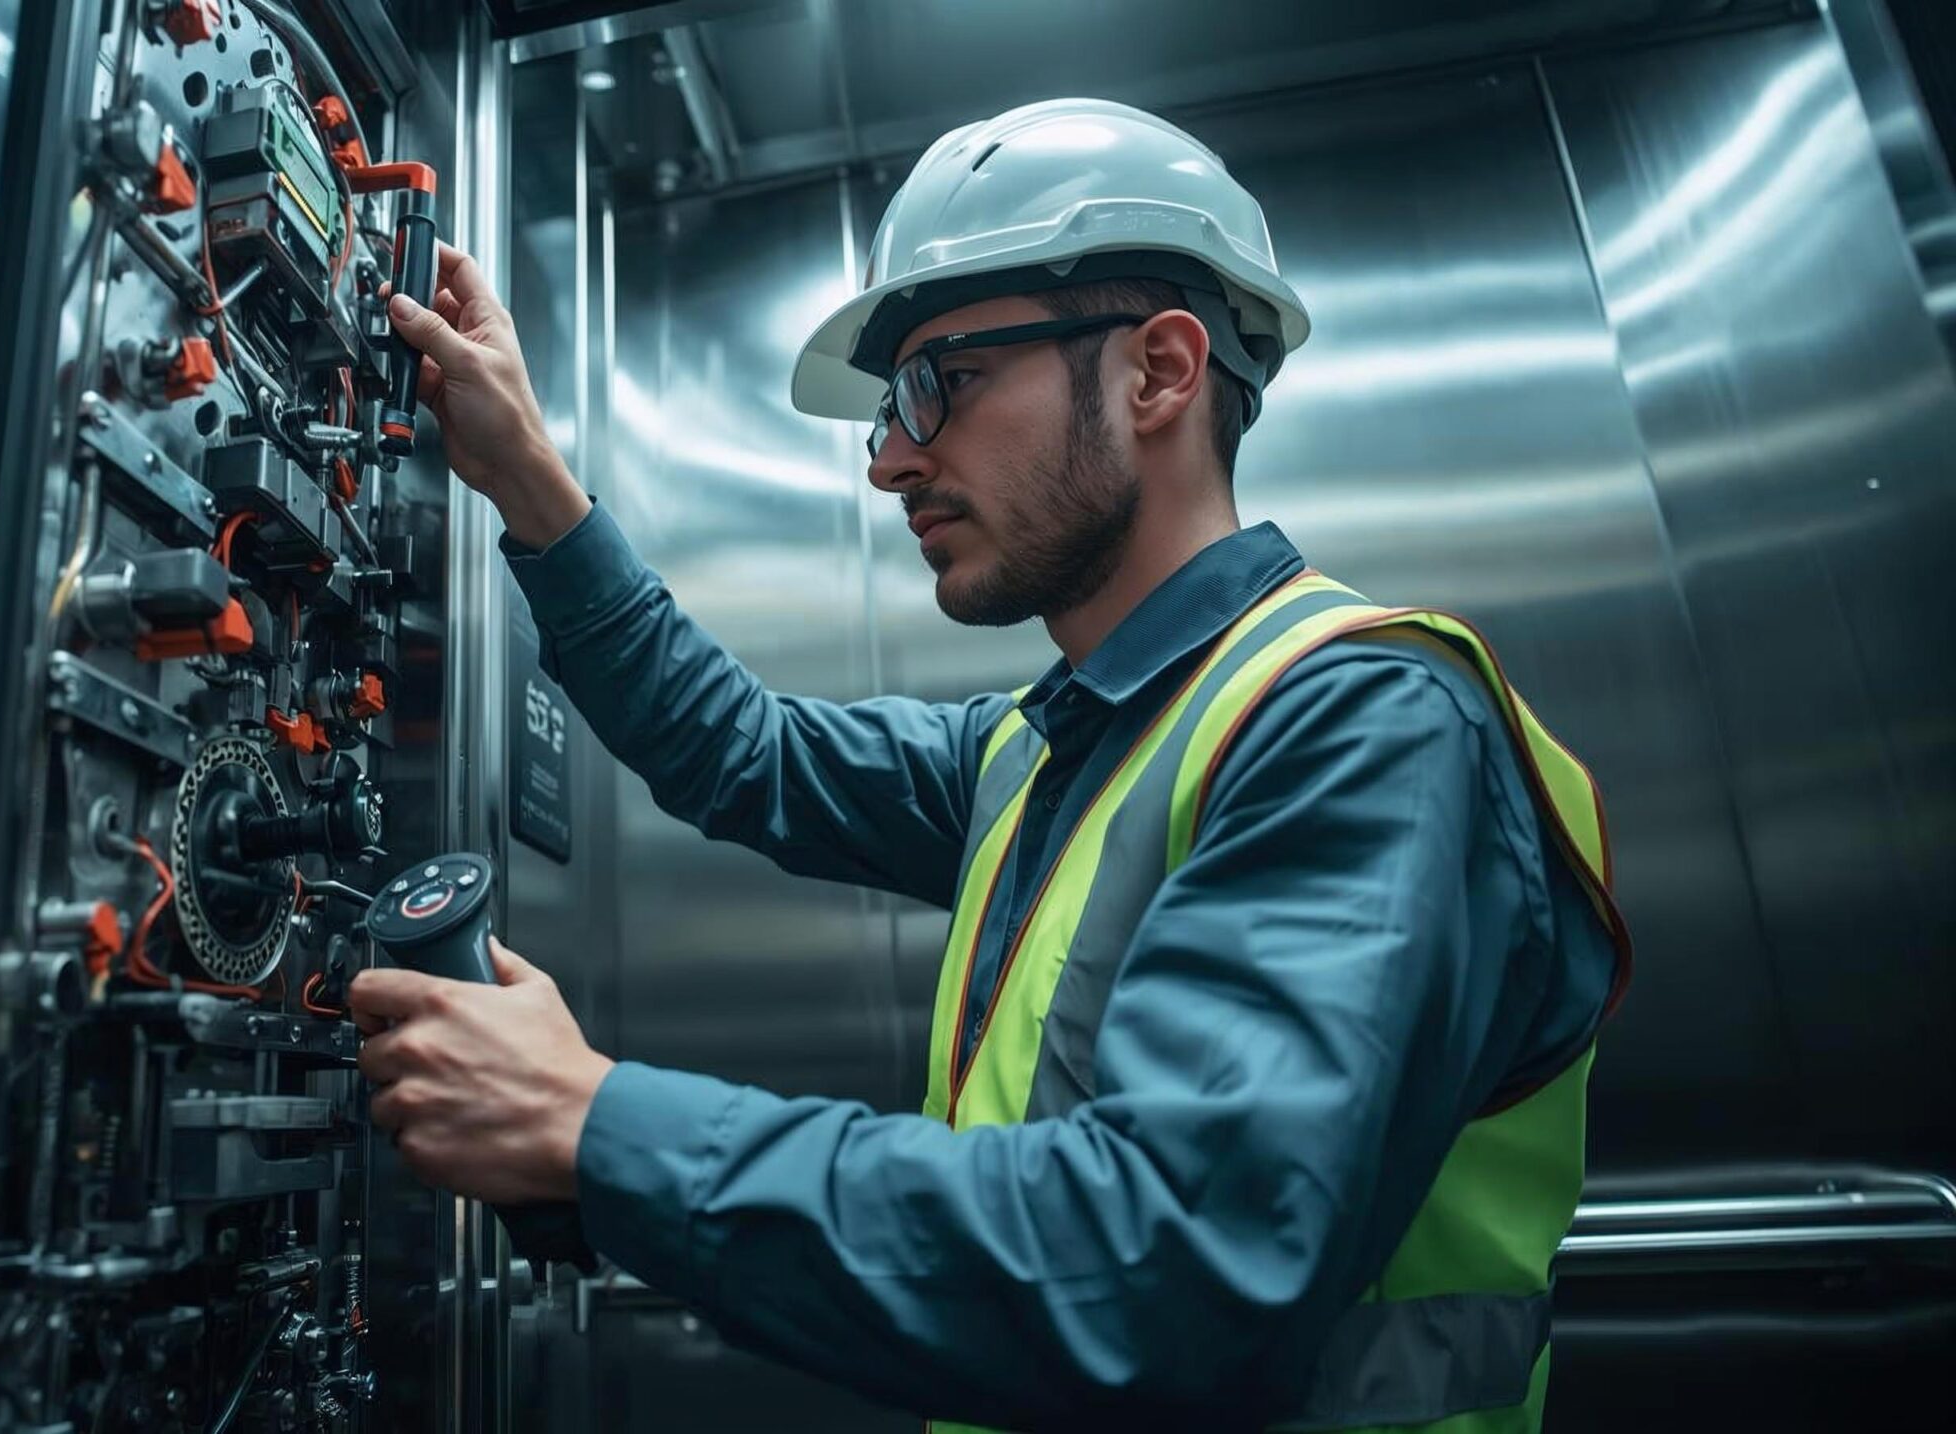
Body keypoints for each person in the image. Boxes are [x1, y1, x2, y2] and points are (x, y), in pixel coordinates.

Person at [347, 99, 1630, 1432]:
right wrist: (530, 482)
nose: (891, 458)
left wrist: (593, 1122)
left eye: (939, 381)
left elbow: (1176, 1266)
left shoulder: (1365, 725)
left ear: (1160, 373)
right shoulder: (1045, 746)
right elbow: (742, 751)